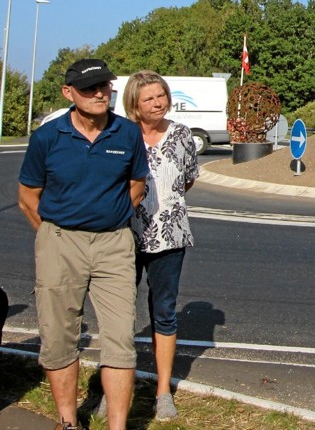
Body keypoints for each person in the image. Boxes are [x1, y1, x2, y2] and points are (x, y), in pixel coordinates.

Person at [18, 59, 148, 430]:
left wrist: (111, 217)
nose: (99, 94)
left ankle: (117, 426)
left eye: (104, 86)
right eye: (89, 88)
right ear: (68, 93)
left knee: (121, 337)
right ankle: (68, 421)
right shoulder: (47, 138)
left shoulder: (127, 133)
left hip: (113, 244)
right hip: (61, 242)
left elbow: (136, 185)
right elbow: (28, 196)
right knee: (60, 336)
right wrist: (54, 237)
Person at [123, 70, 198, 420]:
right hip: (123, 233)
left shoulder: (182, 135)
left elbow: (187, 181)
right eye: (150, 98)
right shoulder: (122, 134)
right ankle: (115, 387)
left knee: (164, 311)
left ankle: (163, 391)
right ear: (135, 105)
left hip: (169, 236)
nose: (159, 102)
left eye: (162, 95)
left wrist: (165, 206)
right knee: (119, 314)